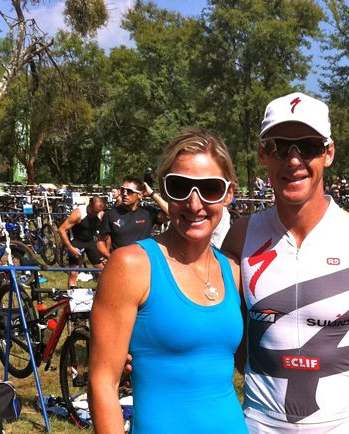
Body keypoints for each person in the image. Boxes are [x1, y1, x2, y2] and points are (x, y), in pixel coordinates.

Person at [222, 92, 349, 433]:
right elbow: (217, 333)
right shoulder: (240, 236)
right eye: (280, 147)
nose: (294, 160)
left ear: (329, 153)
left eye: (308, 146)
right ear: (263, 153)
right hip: (258, 424)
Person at [89, 129, 247, 433]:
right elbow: (102, 382)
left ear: (229, 193)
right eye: (180, 187)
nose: (194, 203)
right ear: (165, 191)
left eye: (210, 188)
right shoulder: (132, 265)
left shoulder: (234, 270)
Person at [96, 176, 168, 260]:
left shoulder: (148, 212)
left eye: (129, 191)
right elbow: (100, 242)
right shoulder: (110, 214)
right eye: (123, 190)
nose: (125, 193)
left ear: (139, 195)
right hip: (122, 263)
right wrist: (110, 257)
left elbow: (170, 214)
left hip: (145, 262)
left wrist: (152, 194)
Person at [57, 196, 106, 288]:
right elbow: (61, 230)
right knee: (74, 273)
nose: (96, 213)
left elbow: (106, 234)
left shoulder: (100, 214)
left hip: (90, 241)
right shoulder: (78, 214)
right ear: (90, 205)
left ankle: (103, 292)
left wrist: (105, 251)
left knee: (102, 271)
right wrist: (70, 248)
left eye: (98, 211)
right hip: (76, 241)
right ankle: (73, 293)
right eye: (94, 211)